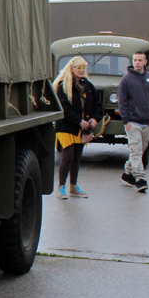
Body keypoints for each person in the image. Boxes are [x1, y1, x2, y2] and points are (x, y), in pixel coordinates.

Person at [53, 56, 100, 200]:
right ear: (71, 69)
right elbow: (64, 108)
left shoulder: (89, 86)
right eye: (78, 68)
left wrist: (95, 119)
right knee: (67, 156)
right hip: (66, 126)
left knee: (77, 158)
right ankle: (61, 187)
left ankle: (73, 187)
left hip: (82, 128)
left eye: (83, 68)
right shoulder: (63, 85)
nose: (81, 71)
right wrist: (79, 121)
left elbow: (98, 105)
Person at [117, 50, 149, 193]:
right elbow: (122, 102)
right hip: (133, 122)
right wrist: (126, 121)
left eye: (140, 60)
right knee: (136, 150)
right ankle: (140, 179)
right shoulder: (126, 80)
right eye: (135, 60)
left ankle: (127, 174)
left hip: (147, 121)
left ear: (145, 62)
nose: (137, 62)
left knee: (140, 150)